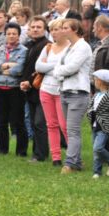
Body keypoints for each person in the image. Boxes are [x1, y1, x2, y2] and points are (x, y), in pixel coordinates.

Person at [52, 18, 93, 173]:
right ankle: (77, 162)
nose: (62, 30)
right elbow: (58, 67)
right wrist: (60, 71)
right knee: (70, 130)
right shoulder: (69, 47)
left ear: (75, 30)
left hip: (78, 92)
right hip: (65, 91)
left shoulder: (83, 46)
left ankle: (69, 164)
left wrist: (59, 72)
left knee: (73, 130)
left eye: (65, 28)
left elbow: (73, 67)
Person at [0, 22, 28, 155]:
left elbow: (19, 69)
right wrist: (5, 65)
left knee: (18, 121)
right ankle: (2, 150)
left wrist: (2, 68)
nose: (11, 36)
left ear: (19, 35)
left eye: (14, 34)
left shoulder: (24, 50)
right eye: (9, 33)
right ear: (5, 35)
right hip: (0, 88)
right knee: (1, 121)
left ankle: (21, 151)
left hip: (15, 88)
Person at [35, 19, 70, 166]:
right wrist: (56, 66)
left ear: (64, 30)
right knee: (51, 125)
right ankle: (56, 157)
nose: (53, 33)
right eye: (52, 30)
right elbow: (38, 67)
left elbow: (68, 67)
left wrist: (48, 66)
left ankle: (72, 156)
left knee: (64, 125)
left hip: (62, 90)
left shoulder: (71, 48)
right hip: (46, 89)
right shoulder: (48, 47)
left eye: (56, 29)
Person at [19, 16, 50, 162]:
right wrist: (24, 82)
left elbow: (42, 70)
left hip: (43, 89)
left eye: (39, 27)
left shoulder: (47, 45)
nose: (35, 29)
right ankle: (37, 153)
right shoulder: (30, 45)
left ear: (44, 30)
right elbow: (28, 67)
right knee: (33, 123)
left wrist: (29, 82)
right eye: (33, 27)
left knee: (39, 123)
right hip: (30, 90)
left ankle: (40, 154)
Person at [89, 69, 109, 178]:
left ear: (101, 81)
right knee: (96, 151)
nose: (94, 81)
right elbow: (92, 107)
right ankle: (97, 171)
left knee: (98, 148)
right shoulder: (97, 95)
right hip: (95, 125)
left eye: (95, 79)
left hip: (105, 126)